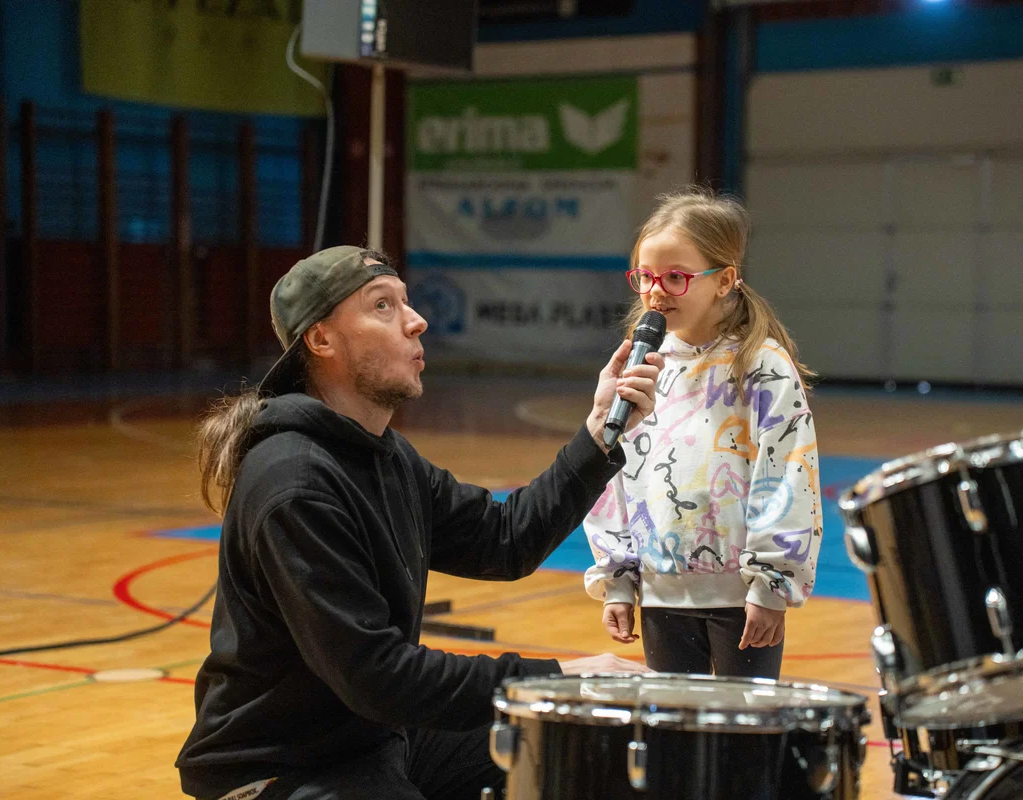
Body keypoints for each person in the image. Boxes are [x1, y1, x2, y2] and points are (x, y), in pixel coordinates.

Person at [175, 246, 663, 800]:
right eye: (383, 306)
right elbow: (378, 675)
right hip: (278, 769)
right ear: (321, 340)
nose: (417, 321)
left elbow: (504, 541)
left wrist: (600, 432)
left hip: (372, 739)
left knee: (592, 741)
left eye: (407, 302)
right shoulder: (295, 483)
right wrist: (556, 675)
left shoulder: (386, 455)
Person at [582, 188, 822, 680]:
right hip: (660, 594)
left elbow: (788, 475)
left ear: (725, 281)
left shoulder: (761, 367)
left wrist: (771, 586)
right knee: (674, 739)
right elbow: (614, 474)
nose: (656, 290)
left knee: (742, 743)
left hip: (741, 598)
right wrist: (620, 579)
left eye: (676, 277)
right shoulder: (641, 367)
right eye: (645, 277)